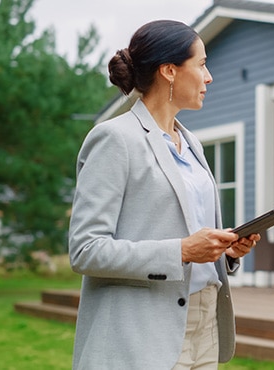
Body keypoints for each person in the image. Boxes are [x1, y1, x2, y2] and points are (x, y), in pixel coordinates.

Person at [68, 20, 260, 370]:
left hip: (204, 319)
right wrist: (182, 250)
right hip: (140, 332)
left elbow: (186, 228)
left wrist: (225, 250)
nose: (209, 77)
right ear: (170, 70)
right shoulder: (115, 139)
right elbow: (85, 250)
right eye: (201, 64)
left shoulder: (191, 143)